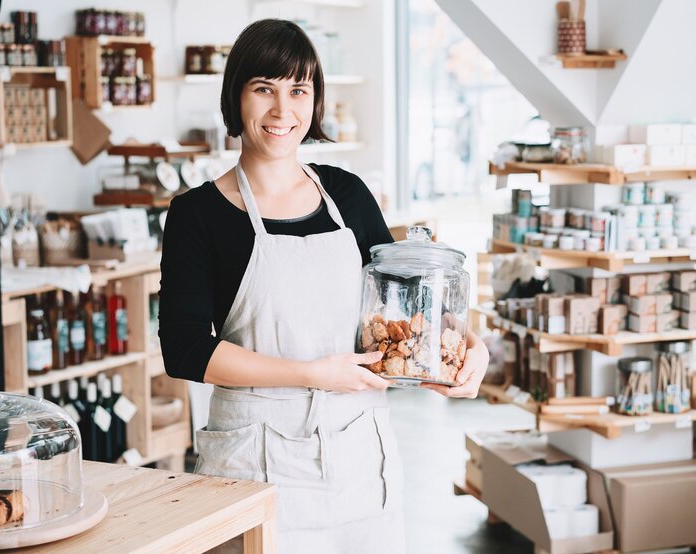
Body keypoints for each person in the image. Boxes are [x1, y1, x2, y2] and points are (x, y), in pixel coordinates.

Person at [158, 18, 489, 554]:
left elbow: (403, 303)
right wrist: (312, 374)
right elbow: (186, 350)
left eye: (298, 90)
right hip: (255, 464)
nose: (282, 110)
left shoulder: (347, 194)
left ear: (315, 102)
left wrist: (464, 345)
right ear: (235, 97)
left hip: (360, 463)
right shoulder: (198, 214)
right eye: (263, 88)